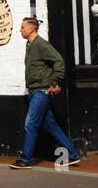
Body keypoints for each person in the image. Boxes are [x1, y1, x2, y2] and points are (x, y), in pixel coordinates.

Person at [10, 17, 82, 169]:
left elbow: (59, 61)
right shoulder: (30, 45)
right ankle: (74, 154)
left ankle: (26, 159)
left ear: (31, 29)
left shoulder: (41, 44)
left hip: (41, 91)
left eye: (23, 27)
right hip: (35, 91)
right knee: (51, 126)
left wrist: (54, 82)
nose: (20, 30)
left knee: (30, 124)